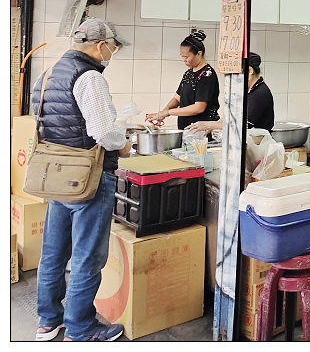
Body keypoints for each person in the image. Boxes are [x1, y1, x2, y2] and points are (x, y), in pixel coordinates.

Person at [32, 18, 132, 342]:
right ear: (101, 45)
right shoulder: (89, 76)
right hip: (89, 177)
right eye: (112, 47)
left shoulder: (48, 73)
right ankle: (80, 328)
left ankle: (48, 321)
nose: (112, 53)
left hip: (55, 175)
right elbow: (103, 132)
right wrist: (124, 144)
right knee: (87, 256)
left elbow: (43, 121)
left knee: (53, 253)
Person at [147, 29, 220, 130]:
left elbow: (199, 107)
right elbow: (177, 98)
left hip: (201, 130)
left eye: (186, 57)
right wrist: (162, 113)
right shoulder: (189, 73)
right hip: (187, 129)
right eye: (182, 57)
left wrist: (169, 112)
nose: (184, 60)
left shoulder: (207, 75)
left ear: (199, 54)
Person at [190, 51, 274, 133]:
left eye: (236, 75)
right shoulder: (250, 91)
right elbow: (234, 117)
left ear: (249, 71)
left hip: (258, 141)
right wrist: (217, 123)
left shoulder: (259, 94)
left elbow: (243, 125)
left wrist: (210, 125)